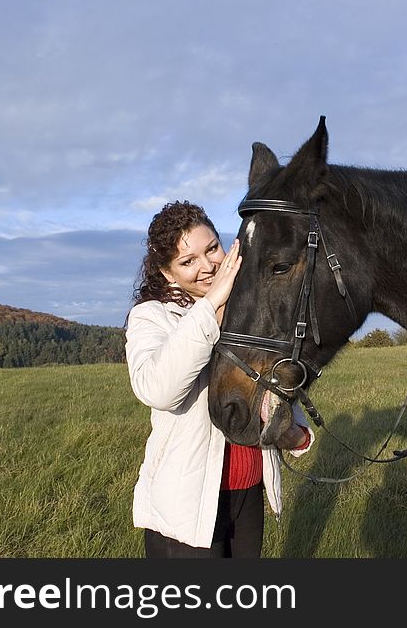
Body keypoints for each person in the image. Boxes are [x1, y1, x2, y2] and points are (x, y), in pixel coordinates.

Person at [125, 200, 313, 558]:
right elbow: (157, 390)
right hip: (187, 505)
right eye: (187, 261)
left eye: (212, 248)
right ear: (167, 274)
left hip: (248, 493)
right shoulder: (152, 317)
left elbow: (271, 377)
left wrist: (294, 431)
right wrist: (210, 307)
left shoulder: (250, 311)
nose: (208, 265)